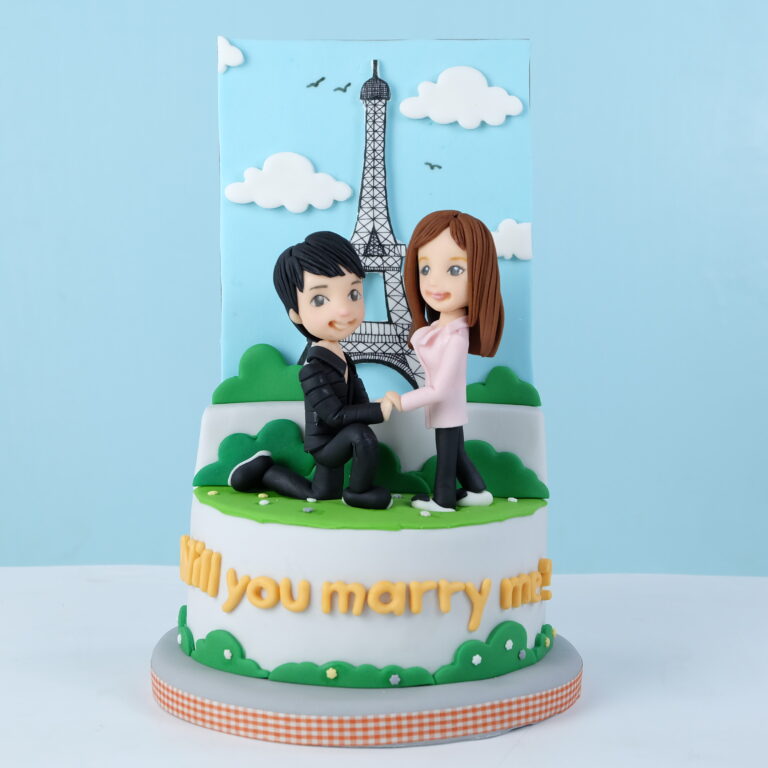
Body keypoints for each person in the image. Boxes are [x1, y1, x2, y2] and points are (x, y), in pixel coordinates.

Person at [228, 231, 396, 510]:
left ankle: (264, 471)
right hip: (325, 444)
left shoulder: (344, 358)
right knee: (361, 434)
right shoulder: (312, 369)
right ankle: (358, 492)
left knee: (319, 494)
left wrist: (375, 405)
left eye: (353, 293)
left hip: (337, 437)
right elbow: (334, 415)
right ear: (295, 313)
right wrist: (377, 411)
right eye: (319, 299)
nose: (344, 310)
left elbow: (357, 401)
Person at [386, 210, 504, 513]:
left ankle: (443, 498)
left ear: (480, 275)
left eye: (455, 270)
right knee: (456, 449)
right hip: (447, 406)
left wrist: (401, 401)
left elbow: (438, 389)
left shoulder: (456, 336)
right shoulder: (440, 329)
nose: (434, 282)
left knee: (447, 451)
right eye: (425, 269)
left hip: (446, 405)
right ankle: (477, 490)